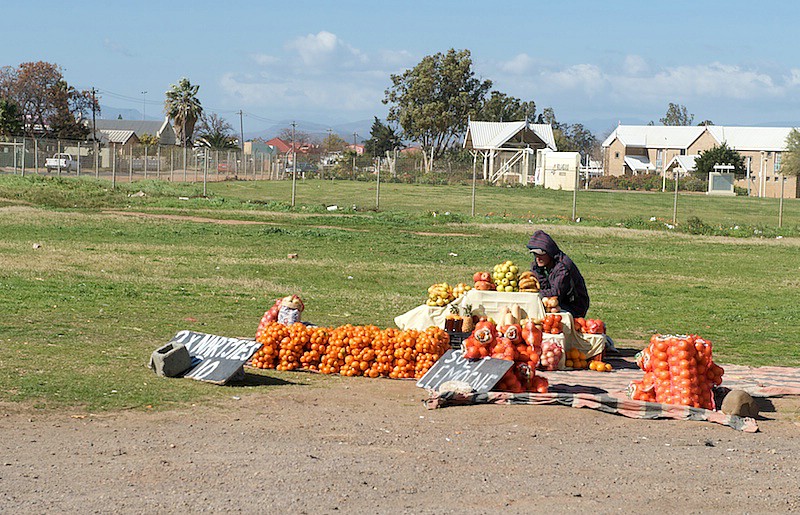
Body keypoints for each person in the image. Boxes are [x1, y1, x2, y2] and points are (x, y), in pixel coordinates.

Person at [526, 230, 590, 318]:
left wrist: (533, 293)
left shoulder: (563, 267)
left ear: (549, 252)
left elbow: (555, 294)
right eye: (535, 254)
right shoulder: (542, 264)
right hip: (558, 302)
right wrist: (538, 272)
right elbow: (543, 286)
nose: (538, 258)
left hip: (573, 306)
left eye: (540, 254)